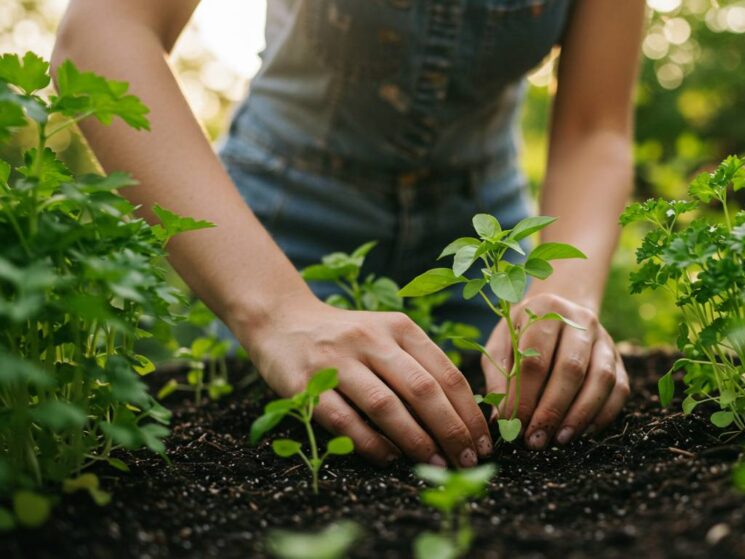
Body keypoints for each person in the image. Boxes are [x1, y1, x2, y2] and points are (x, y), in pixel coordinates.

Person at [52, 0, 645, 469]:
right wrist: (275, 312)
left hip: (482, 246)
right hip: (277, 235)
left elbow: (595, 127)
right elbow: (102, 33)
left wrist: (564, 293)